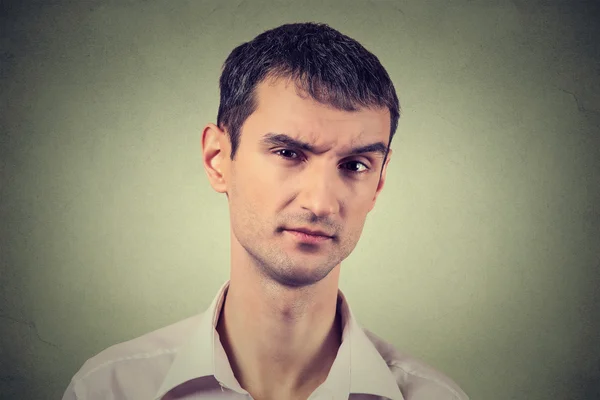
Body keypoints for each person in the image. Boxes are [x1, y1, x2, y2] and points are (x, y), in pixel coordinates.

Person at [62, 22, 469, 400]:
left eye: (355, 165)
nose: (321, 203)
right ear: (218, 158)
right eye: (288, 153)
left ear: (379, 181)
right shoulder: (108, 389)